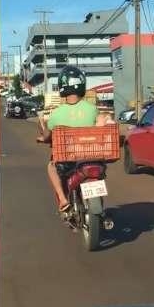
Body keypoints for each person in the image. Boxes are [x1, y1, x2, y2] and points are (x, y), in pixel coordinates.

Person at [37, 66, 99, 212]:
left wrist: (42, 134)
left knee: (51, 166)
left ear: (62, 87)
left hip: (68, 160)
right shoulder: (92, 109)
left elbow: (47, 136)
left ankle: (63, 199)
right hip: (91, 155)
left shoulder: (56, 114)